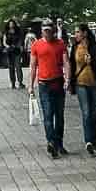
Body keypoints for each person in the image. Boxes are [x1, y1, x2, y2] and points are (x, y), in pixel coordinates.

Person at [29, 20, 70, 157]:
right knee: (48, 114)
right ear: (41, 31)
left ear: (53, 30)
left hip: (58, 82)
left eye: (49, 30)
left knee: (59, 115)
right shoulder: (36, 45)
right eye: (45, 30)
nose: (47, 33)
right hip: (43, 84)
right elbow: (33, 65)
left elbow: (66, 62)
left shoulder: (60, 44)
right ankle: (51, 142)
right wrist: (31, 85)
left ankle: (59, 143)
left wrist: (68, 79)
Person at [71, 21, 96, 155]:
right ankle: (88, 141)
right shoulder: (75, 48)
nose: (75, 34)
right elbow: (72, 66)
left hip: (95, 84)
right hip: (81, 83)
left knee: (94, 113)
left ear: (84, 33)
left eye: (77, 32)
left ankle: (94, 141)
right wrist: (70, 83)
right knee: (86, 112)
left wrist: (92, 61)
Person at [4, 20, 24, 89]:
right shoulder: (6, 33)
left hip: (17, 51)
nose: (11, 25)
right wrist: (7, 46)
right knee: (11, 67)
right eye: (10, 24)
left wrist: (18, 46)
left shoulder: (18, 32)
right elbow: (4, 41)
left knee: (18, 67)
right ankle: (12, 83)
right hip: (10, 52)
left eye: (12, 23)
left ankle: (20, 82)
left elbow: (20, 41)